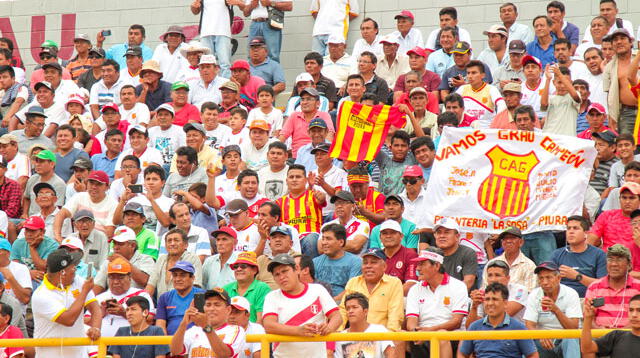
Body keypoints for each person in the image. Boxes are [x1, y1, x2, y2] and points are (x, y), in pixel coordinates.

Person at [262, 253, 342, 358]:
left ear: (297, 269)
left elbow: (337, 316)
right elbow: (269, 325)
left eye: (285, 271)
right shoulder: (272, 297)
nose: (281, 277)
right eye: (277, 274)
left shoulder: (318, 290)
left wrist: (329, 327)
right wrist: (298, 331)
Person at [32, 249, 101, 358]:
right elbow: (68, 320)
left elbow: (96, 308)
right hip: (50, 355)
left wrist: (96, 328)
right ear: (62, 273)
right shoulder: (41, 295)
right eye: (72, 268)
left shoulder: (77, 280)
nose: (75, 270)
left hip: (78, 354)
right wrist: (84, 292)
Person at [406, 247, 468, 358]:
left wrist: (429, 331)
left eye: (422, 264)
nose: (418, 268)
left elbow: (456, 322)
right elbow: (411, 321)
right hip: (422, 334)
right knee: (398, 336)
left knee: (441, 335)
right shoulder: (415, 289)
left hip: (451, 335)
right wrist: (415, 331)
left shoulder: (458, 286)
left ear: (437, 266)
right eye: (418, 264)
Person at [461, 282, 539, 358]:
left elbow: (532, 355)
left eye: (495, 299)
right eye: (487, 299)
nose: (490, 303)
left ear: (505, 303)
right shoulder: (475, 326)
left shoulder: (518, 327)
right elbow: (463, 354)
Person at [523, 261, 582, 357]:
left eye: (549, 277)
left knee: (571, 338)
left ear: (558, 278)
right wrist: (540, 335)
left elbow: (573, 328)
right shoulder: (534, 295)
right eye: (541, 278)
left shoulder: (571, 293)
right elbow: (529, 325)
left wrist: (556, 310)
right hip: (543, 340)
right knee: (528, 342)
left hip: (564, 339)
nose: (545, 282)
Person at [170, 287, 246, 357]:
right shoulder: (194, 330)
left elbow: (224, 354)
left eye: (217, 304)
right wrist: (184, 323)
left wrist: (206, 327)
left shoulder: (236, 330)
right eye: (208, 304)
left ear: (228, 310)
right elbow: (175, 351)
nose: (212, 308)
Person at [95, 257, 155, 337]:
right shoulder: (99, 297)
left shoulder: (141, 294)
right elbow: (85, 321)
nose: (116, 282)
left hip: (130, 345)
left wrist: (124, 313)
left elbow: (150, 319)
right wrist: (101, 314)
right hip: (102, 345)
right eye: (112, 278)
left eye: (120, 278)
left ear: (129, 277)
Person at [550, 215, 607, 298]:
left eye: (575, 228)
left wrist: (577, 276)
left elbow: (602, 286)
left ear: (586, 233)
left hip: (588, 300)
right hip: (562, 300)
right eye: (568, 228)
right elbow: (547, 281)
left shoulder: (599, 255)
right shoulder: (556, 254)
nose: (571, 232)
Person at [585, 244, 640, 328]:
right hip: (600, 336)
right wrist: (600, 331)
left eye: (619, 259)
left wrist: (618, 334)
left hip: (631, 336)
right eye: (610, 259)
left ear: (629, 265)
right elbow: (588, 318)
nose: (614, 264)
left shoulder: (638, 287)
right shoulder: (594, 287)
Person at [54, 170, 116, 239]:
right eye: (91, 183)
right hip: (78, 241)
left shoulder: (113, 204)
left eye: (98, 184)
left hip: (100, 242)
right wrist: (58, 236)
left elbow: (109, 233)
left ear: (107, 187)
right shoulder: (79, 196)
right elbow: (61, 214)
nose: (94, 187)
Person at [93, 226, 155, 293]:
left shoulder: (145, 259)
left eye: (120, 244)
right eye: (114, 243)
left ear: (133, 245)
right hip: (113, 299)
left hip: (136, 300)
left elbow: (145, 281)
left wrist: (124, 261)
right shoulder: (109, 261)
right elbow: (98, 286)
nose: (115, 247)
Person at [467, 260, 528, 326]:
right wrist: (474, 306)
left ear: (508, 278)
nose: (493, 279)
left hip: (515, 333)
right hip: (489, 334)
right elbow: (471, 327)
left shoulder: (519, 290)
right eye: (490, 275)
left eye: (497, 275)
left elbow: (504, 315)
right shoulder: (482, 292)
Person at [334, 292, 396, 358]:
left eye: (354, 307)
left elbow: (391, 353)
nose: (350, 311)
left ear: (365, 311)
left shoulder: (379, 330)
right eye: (348, 308)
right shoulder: (340, 337)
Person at [146, 228, 203, 298]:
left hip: (184, 305)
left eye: (176, 240)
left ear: (186, 245)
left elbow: (196, 286)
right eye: (169, 241)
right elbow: (151, 285)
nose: (172, 244)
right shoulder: (161, 259)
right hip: (162, 306)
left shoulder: (192, 258)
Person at [581, 293, 640, 358]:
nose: (634, 315)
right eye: (631, 310)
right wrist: (588, 318)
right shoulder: (616, 336)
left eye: (639, 310)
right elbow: (586, 349)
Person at [313, 223, 362, 299]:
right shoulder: (315, 262)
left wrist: (331, 303)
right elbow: (311, 288)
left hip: (345, 304)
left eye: (328, 239)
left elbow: (351, 290)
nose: (324, 243)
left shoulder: (356, 262)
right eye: (323, 239)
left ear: (341, 242)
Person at [156, 261, 205, 335]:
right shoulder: (164, 297)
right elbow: (160, 324)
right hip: (170, 341)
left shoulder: (203, 295)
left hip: (196, 341)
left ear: (192, 278)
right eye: (175, 275)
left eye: (183, 275)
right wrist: (165, 344)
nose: (177, 279)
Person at [589, 182, 640, 252]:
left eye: (632, 198)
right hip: (608, 260)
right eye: (624, 198)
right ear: (619, 199)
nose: (627, 201)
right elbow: (590, 241)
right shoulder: (607, 216)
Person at [483, 227, 537, 292]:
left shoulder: (529, 266)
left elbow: (530, 293)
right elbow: (484, 289)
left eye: (512, 238)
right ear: (501, 242)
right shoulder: (491, 263)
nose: (508, 241)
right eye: (505, 238)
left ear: (521, 242)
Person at [222, 251, 270, 323]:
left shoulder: (262, 288)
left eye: (243, 266)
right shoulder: (226, 289)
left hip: (253, 333)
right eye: (236, 267)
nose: (238, 269)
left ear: (254, 270)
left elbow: (260, 320)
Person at [455, 60, 505, 128]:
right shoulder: (462, 89)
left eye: (474, 73)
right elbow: (450, 103)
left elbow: (502, 105)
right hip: (466, 131)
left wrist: (498, 122)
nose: (470, 76)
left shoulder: (491, 89)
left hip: (487, 130)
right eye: (468, 73)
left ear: (483, 75)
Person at [604, 28, 636, 134]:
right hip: (627, 113)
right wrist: (611, 116)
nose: (619, 42)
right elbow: (609, 95)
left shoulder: (638, 58)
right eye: (615, 40)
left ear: (631, 42)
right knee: (627, 145)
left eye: (622, 38)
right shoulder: (609, 67)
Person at [541, 64, 580, 136]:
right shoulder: (550, 98)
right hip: (550, 138)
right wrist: (548, 80)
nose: (562, 86)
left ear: (571, 83)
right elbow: (543, 105)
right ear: (554, 82)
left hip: (567, 139)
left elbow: (576, 97)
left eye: (565, 82)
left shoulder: (574, 96)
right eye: (559, 82)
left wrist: (559, 74)